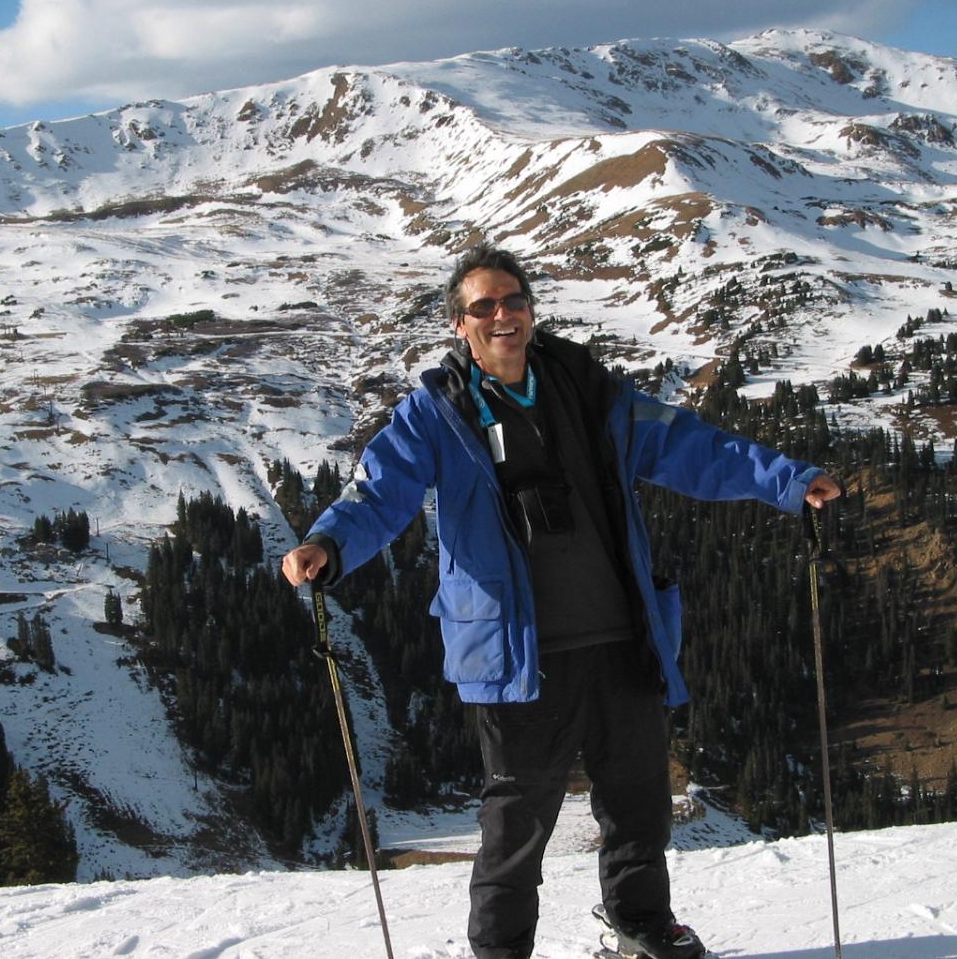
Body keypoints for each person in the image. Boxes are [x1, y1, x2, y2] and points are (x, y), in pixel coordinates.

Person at [282, 244, 841, 959]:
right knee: (516, 825)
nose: (502, 315)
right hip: (518, 657)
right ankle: (501, 951)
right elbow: (379, 491)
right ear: (459, 324)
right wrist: (327, 543)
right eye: (483, 306)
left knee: (638, 804)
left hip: (619, 637)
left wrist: (789, 481)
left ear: (531, 309)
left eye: (513, 300)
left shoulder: (587, 390)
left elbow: (688, 446)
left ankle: (641, 924)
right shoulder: (435, 415)